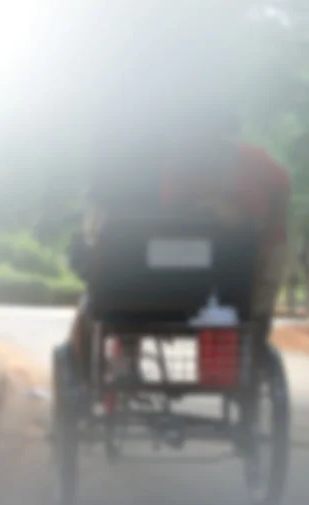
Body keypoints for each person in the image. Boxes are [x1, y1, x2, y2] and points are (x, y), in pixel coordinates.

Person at [64, 110, 290, 386]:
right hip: (200, 256)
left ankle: (250, 372)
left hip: (247, 249)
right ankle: (120, 365)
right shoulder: (180, 164)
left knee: (255, 312)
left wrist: (261, 230)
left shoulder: (251, 160)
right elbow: (172, 209)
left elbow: (281, 189)